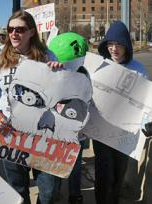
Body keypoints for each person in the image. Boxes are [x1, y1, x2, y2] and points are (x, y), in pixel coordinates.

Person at [0, 10, 62, 204]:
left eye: (20, 29)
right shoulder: (0, 59)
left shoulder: (46, 56)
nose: (14, 34)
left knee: (49, 192)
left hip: (43, 135)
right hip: (10, 135)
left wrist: (59, 75)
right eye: (10, 29)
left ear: (32, 32)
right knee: (17, 191)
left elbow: (63, 98)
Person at [94, 20, 152, 204]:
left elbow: (145, 103)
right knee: (104, 175)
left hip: (126, 135)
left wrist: (146, 122)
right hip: (101, 132)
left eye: (119, 44)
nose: (114, 49)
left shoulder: (139, 70)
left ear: (126, 45)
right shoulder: (98, 66)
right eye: (110, 44)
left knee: (119, 173)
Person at [48, 32, 89, 204]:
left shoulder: (83, 73)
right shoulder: (50, 71)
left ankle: (74, 194)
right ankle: (55, 192)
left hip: (75, 130)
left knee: (75, 164)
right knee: (54, 163)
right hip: (54, 129)